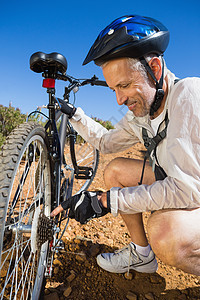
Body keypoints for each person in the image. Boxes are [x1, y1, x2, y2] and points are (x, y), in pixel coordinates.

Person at [51, 15, 200, 276]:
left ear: (154, 68)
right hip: (182, 182)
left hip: (192, 187)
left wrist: (105, 201)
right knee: (116, 171)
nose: (120, 100)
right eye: (113, 90)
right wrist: (76, 115)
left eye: (125, 85)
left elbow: (187, 189)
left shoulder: (188, 94)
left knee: (166, 235)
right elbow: (105, 143)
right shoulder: (140, 116)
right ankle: (142, 256)